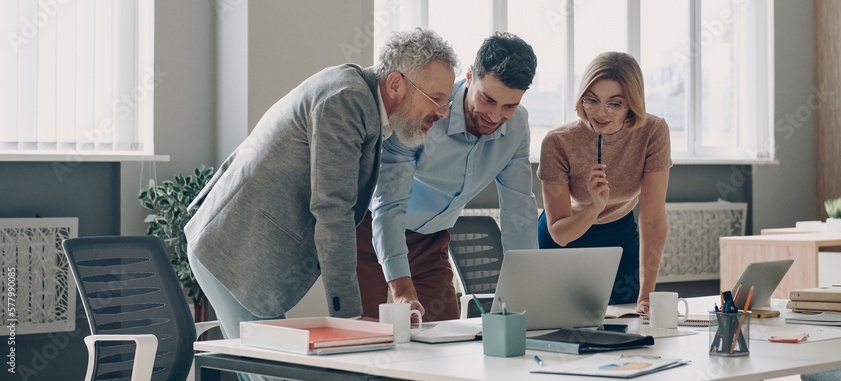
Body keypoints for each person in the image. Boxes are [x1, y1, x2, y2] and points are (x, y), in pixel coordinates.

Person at [184, 27, 461, 352]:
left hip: (245, 255)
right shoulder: (346, 101)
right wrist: (350, 317)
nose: (442, 113)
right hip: (233, 254)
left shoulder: (362, 100)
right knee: (271, 370)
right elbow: (334, 212)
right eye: (435, 100)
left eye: (447, 101)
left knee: (271, 369)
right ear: (396, 83)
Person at [356, 32, 539, 321]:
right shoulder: (420, 111)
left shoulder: (517, 128)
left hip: (430, 242)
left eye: (509, 106)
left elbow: (519, 208)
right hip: (371, 232)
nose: (495, 115)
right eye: (488, 99)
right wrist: (401, 287)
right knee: (365, 338)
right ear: (469, 76)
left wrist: (528, 287)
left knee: (445, 344)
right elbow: (388, 205)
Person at [536, 51, 672, 314]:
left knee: (629, 322)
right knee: (565, 322)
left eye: (614, 103)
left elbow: (653, 219)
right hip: (567, 233)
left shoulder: (653, 132)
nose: (600, 112)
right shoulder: (557, 142)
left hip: (620, 234)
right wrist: (593, 207)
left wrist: (647, 296)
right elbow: (560, 234)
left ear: (632, 103)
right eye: (592, 100)